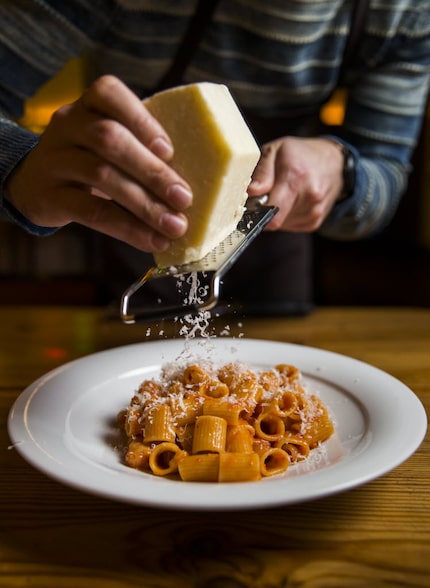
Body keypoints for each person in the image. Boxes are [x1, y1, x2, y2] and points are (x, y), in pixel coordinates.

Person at [0, 1, 429, 315]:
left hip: (276, 249)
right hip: (140, 239)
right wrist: (18, 167)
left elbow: (385, 173)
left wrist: (345, 170)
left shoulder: (401, 11)